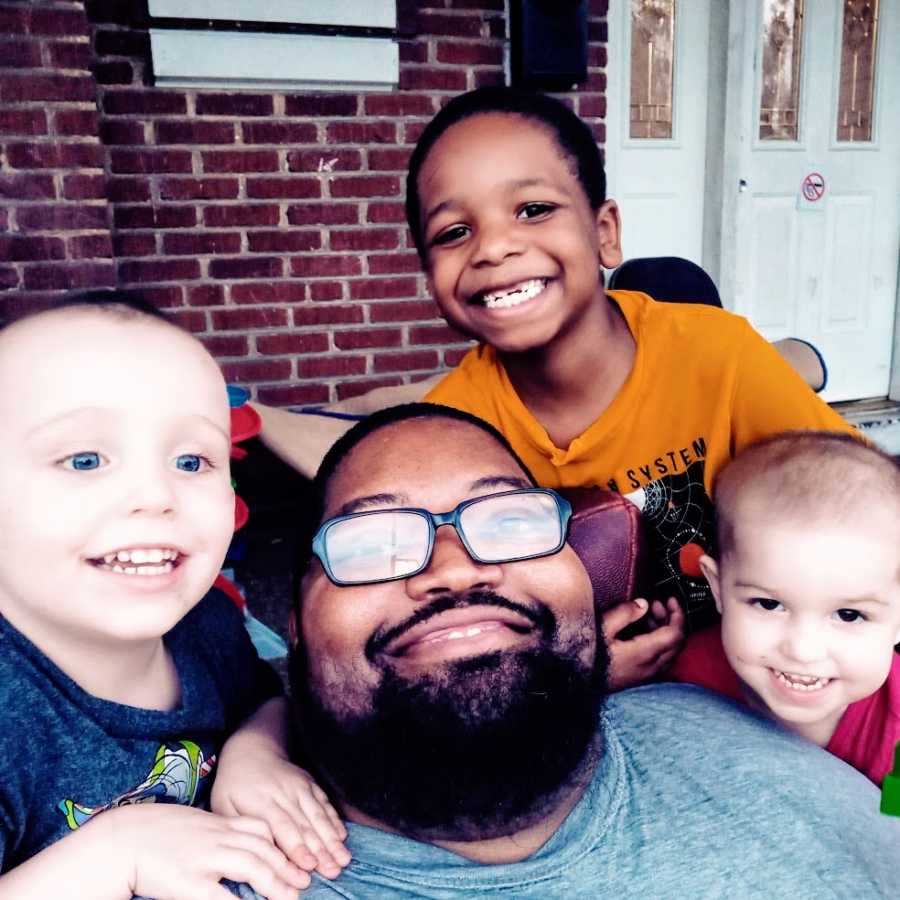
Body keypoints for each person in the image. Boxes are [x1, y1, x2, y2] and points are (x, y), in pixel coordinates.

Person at [253, 86, 853, 689]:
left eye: (534, 209)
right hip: (561, 711)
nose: (493, 247)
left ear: (605, 231)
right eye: (454, 232)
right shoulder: (451, 432)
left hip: (769, 678)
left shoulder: (717, 356)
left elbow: (862, 513)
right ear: (429, 278)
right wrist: (578, 679)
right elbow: (445, 630)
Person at [245, 403, 898, 899]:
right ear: (295, 621)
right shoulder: (186, 860)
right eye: (371, 540)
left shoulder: (736, 717)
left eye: (509, 521)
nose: (455, 568)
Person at [0, 296, 347, 900]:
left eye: (192, 459)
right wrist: (113, 856)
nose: (158, 494)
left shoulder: (205, 625)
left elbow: (265, 699)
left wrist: (254, 751)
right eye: (85, 459)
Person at [669, 431, 900, 786]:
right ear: (718, 588)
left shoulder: (895, 731)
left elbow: (891, 831)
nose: (802, 650)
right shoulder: (691, 684)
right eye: (769, 604)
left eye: (849, 614)